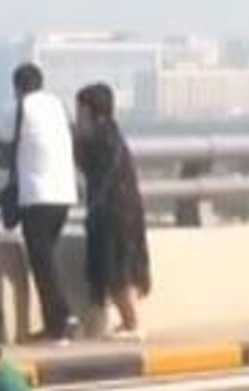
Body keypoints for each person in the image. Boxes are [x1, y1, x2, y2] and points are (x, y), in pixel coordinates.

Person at [0, 63, 79, 345]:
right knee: (46, 259)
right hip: (64, 193)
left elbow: (1, 135)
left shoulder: (22, 107)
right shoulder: (57, 105)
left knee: (42, 261)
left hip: (37, 195)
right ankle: (55, 322)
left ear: (17, 87)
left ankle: (61, 322)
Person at [75, 83, 151, 341]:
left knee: (116, 268)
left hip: (113, 211)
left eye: (80, 110)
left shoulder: (98, 137)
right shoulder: (111, 132)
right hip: (124, 208)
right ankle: (123, 323)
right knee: (118, 267)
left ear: (89, 110)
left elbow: (89, 168)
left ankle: (132, 324)